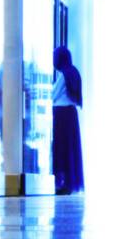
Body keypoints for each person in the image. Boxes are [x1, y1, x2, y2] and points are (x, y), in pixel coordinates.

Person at [51, 44, 84, 194]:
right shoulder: (75, 73)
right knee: (71, 149)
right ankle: (69, 182)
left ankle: (61, 183)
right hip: (71, 113)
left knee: (61, 149)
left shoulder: (63, 75)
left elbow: (53, 95)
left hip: (60, 114)